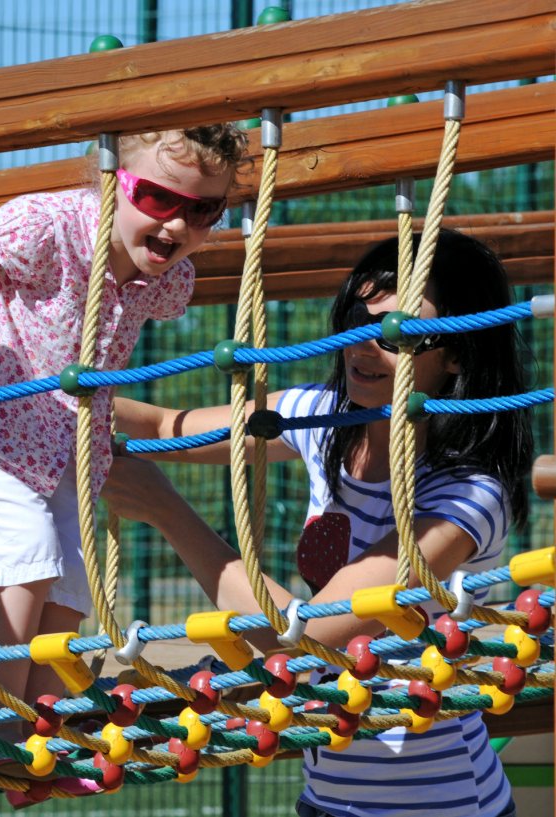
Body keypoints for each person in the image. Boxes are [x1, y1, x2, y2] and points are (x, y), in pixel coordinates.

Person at [104, 229, 528, 817]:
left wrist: (166, 512)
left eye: (398, 332)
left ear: (456, 354)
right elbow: (160, 426)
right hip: (326, 797)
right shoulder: (321, 418)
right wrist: (33, 399)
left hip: (440, 803)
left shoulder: (466, 497)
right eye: (357, 317)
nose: (365, 344)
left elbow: (306, 640)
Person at [0, 126, 247, 711]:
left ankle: (41, 728)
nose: (178, 225)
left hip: (61, 446)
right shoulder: (50, 227)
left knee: (71, 587)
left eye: (203, 210)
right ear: (111, 183)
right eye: (158, 198)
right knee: (27, 557)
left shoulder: (168, 277)